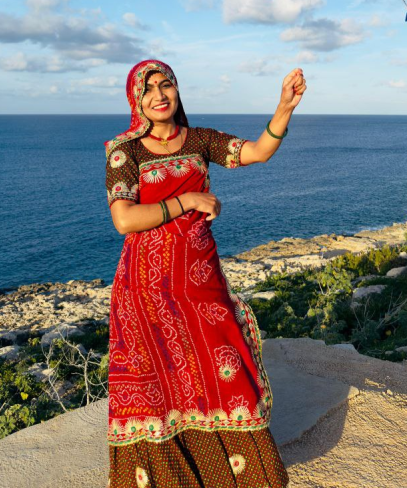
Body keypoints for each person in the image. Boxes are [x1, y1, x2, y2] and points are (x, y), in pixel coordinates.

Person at [104, 58, 307, 488]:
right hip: (146, 290)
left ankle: (237, 474)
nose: (159, 95)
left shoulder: (199, 140)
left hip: (200, 284)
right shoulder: (126, 151)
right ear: (135, 99)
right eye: (149, 89)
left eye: (166, 85)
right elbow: (124, 219)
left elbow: (256, 152)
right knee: (159, 384)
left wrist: (284, 107)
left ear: (177, 91)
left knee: (218, 367)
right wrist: (189, 199)